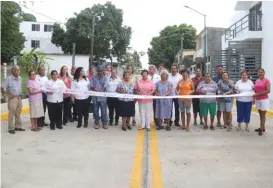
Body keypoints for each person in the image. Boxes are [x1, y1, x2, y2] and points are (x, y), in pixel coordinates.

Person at [1, 66, 25, 134]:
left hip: (19, 98)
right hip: (12, 98)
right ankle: (10, 128)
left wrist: (21, 93)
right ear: (12, 71)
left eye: (19, 70)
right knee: (11, 114)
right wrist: (8, 95)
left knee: (18, 113)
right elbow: (1, 87)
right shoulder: (9, 78)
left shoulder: (20, 78)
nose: (18, 71)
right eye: (17, 70)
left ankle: (18, 127)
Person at [254, 69, 271, 136]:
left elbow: (268, 91)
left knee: (263, 115)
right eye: (259, 72)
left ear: (264, 73)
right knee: (260, 115)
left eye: (262, 72)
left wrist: (258, 94)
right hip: (258, 100)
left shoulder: (267, 81)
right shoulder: (257, 80)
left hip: (264, 100)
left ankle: (261, 129)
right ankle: (262, 127)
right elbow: (255, 89)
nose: (260, 73)